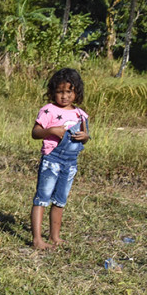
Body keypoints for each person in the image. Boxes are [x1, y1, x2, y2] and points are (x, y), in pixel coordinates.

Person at [30, 68, 89, 250]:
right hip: (51, 160)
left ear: (76, 92)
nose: (64, 96)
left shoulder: (81, 114)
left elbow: (87, 135)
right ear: (53, 92)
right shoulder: (48, 110)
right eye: (60, 92)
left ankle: (55, 236)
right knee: (42, 198)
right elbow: (35, 132)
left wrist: (84, 137)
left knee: (60, 200)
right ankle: (37, 239)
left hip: (70, 163)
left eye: (68, 92)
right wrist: (51, 131)